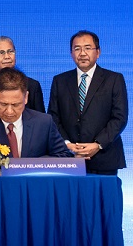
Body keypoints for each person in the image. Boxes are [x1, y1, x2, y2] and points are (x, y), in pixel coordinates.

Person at [48, 30, 128, 175]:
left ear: (98, 52)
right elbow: (53, 117)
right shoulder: (60, 81)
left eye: (87, 48)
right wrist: (67, 144)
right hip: (69, 157)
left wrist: (98, 144)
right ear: (71, 53)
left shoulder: (114, 79)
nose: (82, 53)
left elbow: (119, 118)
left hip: (104, 158)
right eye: (77, 49)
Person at [0, 68, 70, 158]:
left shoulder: (44, 123)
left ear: (26, 97)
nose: (9, 111)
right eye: (3, 104)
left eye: (15, 104)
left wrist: (33, 165)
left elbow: (63, 155)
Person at [0, 36, 45, 116]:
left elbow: (41, 119)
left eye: (10, 52)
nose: (7, 57)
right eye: (1, 53)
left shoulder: (32, 85)